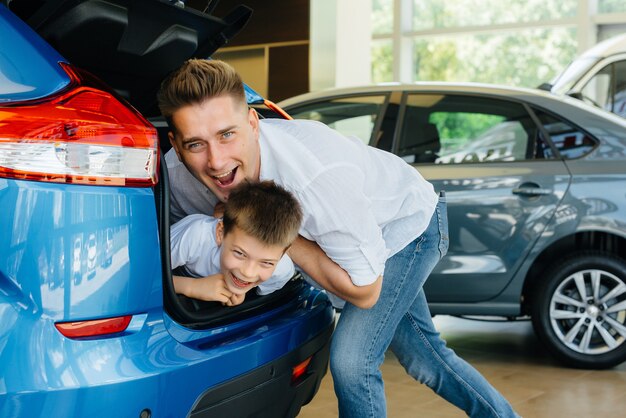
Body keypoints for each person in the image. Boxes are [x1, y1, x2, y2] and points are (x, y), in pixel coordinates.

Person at [158, 59, 519, 417]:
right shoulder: (176, 172)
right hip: (363, 240)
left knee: (352, 363)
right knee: (426, 356)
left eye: (227, 134)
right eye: (195, 145)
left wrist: (279, 234)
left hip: (404, 227)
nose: (217, 161)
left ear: (252, 123)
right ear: (175, 144)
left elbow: (365, 291)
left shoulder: (315, 177)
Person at [170, 180, 302, 306]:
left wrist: (242, 289)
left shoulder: (281, 271)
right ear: (220, 233)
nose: (248, 273)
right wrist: (191, 287)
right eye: (240, 253)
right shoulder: (195, 236)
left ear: (283, 253)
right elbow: (149, 275)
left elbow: (261, 291)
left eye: (266, 263)